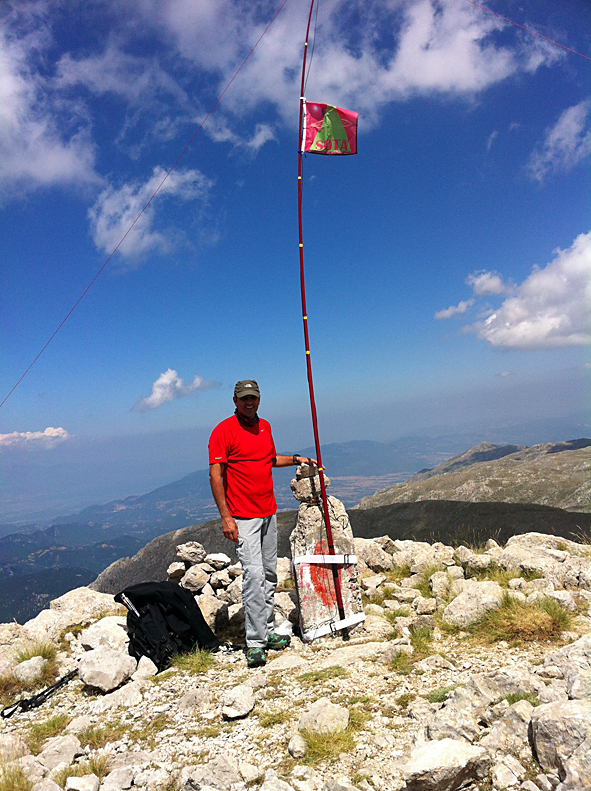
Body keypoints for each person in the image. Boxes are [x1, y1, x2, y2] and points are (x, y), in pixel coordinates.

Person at [208, 380, 316, 668]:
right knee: (253, 577)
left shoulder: (265, 426)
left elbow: (268, 459)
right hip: (242, 517)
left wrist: (296, 459)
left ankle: (266, 631)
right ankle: (255, 642)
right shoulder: (223, 431)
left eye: (253, 398)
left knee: (269, 575)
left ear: (259, 399)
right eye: (243, 398)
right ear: (234, 400)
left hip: (268, 512)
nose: (248, 403)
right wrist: (225, 516)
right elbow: (215, 476)